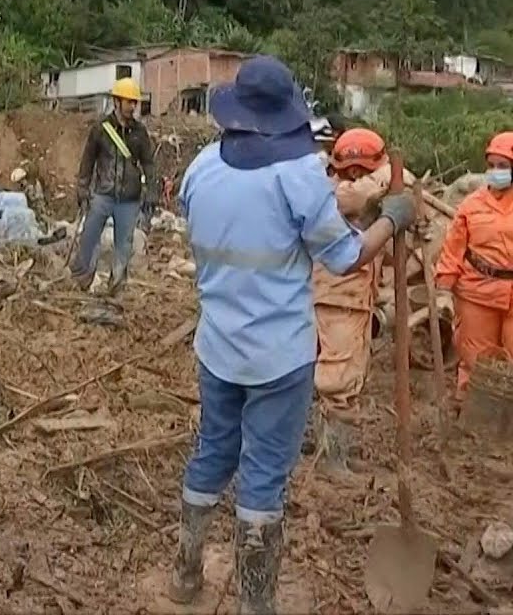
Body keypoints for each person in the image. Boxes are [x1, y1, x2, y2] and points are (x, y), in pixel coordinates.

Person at [171, 56, 415, 614]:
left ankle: (185, 573)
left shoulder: (202, 167)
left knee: (212, 452)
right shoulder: (299, 176)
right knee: (262, 476)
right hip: (279, 359)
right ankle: (257, 606)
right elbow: (347, 255)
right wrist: (392, 219)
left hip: (217, 346)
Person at [311, 128, 392, 473]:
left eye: (363, 170)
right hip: (336, 295)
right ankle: (332, 459)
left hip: (355, 297)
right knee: (337, 379)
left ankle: (325, 446)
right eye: (351, 171)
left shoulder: (368, 191)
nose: (357, 176)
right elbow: (357, 198)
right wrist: (389, 179)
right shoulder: (331, 192)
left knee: (343, 372)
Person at [434, 131, 513, 409]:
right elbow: (453, 249)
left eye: (503, 166)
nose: (495, 172)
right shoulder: (472, 204)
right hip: (477, 291)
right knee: (473, 358)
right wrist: (444, 289)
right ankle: (466, 414)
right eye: (492, 165)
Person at [71, 77, 157, 294]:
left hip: (129, 199)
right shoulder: (101, 129)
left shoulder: (140, 132)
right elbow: (87, 161)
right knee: (89, 237)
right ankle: (83, 281)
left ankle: (116, 287)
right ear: (116, 102)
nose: (132, 107)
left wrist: (151, 193)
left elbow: (148, 163)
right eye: (129, 102)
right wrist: (82, 188)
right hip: (102, 194)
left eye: (134, 102)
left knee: (123, 246)